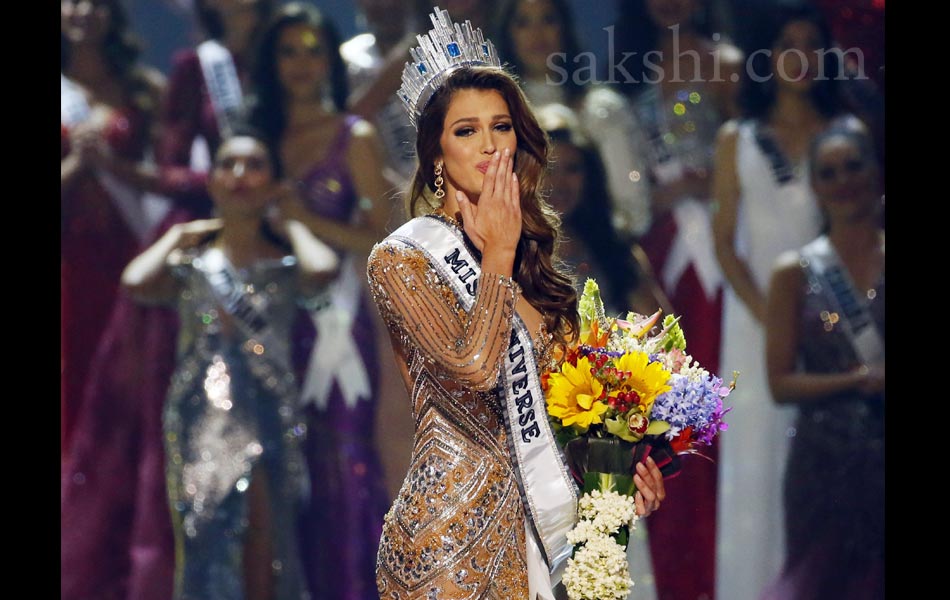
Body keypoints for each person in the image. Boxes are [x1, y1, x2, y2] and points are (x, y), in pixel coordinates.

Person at [367, 9, 667, 599]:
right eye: (466, 130)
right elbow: (476, 370)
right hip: (451, 541)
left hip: (548, 533)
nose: (488, 145)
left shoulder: (536, 261)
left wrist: (618, 469)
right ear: (435, 152)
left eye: (500, 126)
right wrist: (497, 256)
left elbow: (563, 407)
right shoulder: (403, 258)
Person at [120, 128, 339, 600]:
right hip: (200, 419)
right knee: (205, 534)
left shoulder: (283, 263)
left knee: (268, 535)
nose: (240, 175)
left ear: (273, 183)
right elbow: (134, 280)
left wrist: (292, 222)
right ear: (212, 181)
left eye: (254, 165)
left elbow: (322, 270)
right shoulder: (193, 263)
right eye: (228, 165)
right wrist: (179, 233)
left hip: (268, 412)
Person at [711, 3, 867, 597]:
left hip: (839, 321)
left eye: (811, 44)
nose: (799, 57)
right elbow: (726, 244)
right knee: (760, 464)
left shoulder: (846, 134)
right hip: (756, 325)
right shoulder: (737, 139)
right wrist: (773, 318)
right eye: (787, 44)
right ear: (767, 57)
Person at [246, 3, 396, 597]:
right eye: (288, 51)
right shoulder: (257, 140)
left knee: (344, 457)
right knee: (283, 465)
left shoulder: (351, 136)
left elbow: (386, 238)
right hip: (266, 319)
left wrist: (306, 221)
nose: (302, 64)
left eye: (313, 50)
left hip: (335, 321)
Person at [762, 126, 883, 600]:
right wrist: (857, 378)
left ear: (875, 170)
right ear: (814, 186)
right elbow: (779, 384)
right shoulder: (793, 271)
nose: (844, 181)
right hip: (823, 461)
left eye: (854, 166)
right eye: (828, 172)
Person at [60, 0, 166, 453]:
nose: (84, 11)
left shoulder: (145, 89)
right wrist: (77, 166)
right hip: (70, 262)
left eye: (97, 2)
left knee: (134, 377)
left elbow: (174, 178)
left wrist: (113, 167)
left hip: (133, 253)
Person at [495, 0, 653, 239]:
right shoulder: (495, 118)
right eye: (523, 22)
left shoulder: (602, 109)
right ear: (508, 34)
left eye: (548, 19)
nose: (537, 34)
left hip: (598, 254)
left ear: (565, 28)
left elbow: (633, 211)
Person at [536, 102, 671, 319]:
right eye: (549, 169)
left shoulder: (613, 248)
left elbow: (663, 335)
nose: (559, 183)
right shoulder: (514, 253)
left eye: (572, 169)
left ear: (590, 176)